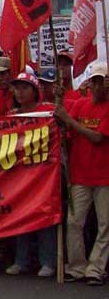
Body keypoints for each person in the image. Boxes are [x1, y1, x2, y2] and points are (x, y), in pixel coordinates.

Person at [55, 63, 109, 285]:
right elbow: (63, 129)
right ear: (88, 83)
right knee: (74, 222)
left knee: (105, 225)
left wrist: (69, 120)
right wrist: (60, 105)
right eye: (94, 81)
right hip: (79, 175)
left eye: (101, 81)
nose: (97, 86)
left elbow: (98, 138)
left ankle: (96, 268)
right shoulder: (79, 105)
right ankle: (77, 267)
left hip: (105, 177)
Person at [2, 72, 56, 278]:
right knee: (20, 216)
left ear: (35, 91)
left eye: (24, 88)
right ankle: (21, 260)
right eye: (17, 88)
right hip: (20, 175)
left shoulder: (48, 112)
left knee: (46, 217)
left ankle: (48, 261)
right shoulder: (11, 116)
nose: (20, 92)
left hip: (45, 174)